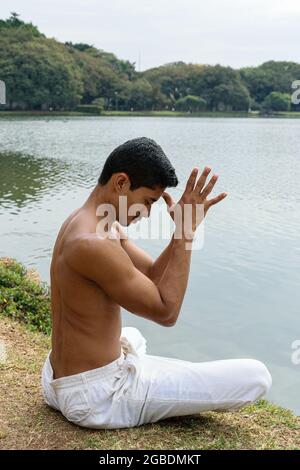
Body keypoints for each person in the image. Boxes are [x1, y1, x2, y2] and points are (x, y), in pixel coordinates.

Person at [41, 136, 272, 429]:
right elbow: (166, 311)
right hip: (96, 398)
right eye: (148, 201)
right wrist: (186, 235)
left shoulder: (91, 222)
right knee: (256, 376)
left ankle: (142, 374)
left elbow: (152, 275)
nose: (148, 213)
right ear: (121, 183)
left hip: (58, 379)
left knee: (133, 335)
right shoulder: (92, 244)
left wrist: (179, 231)